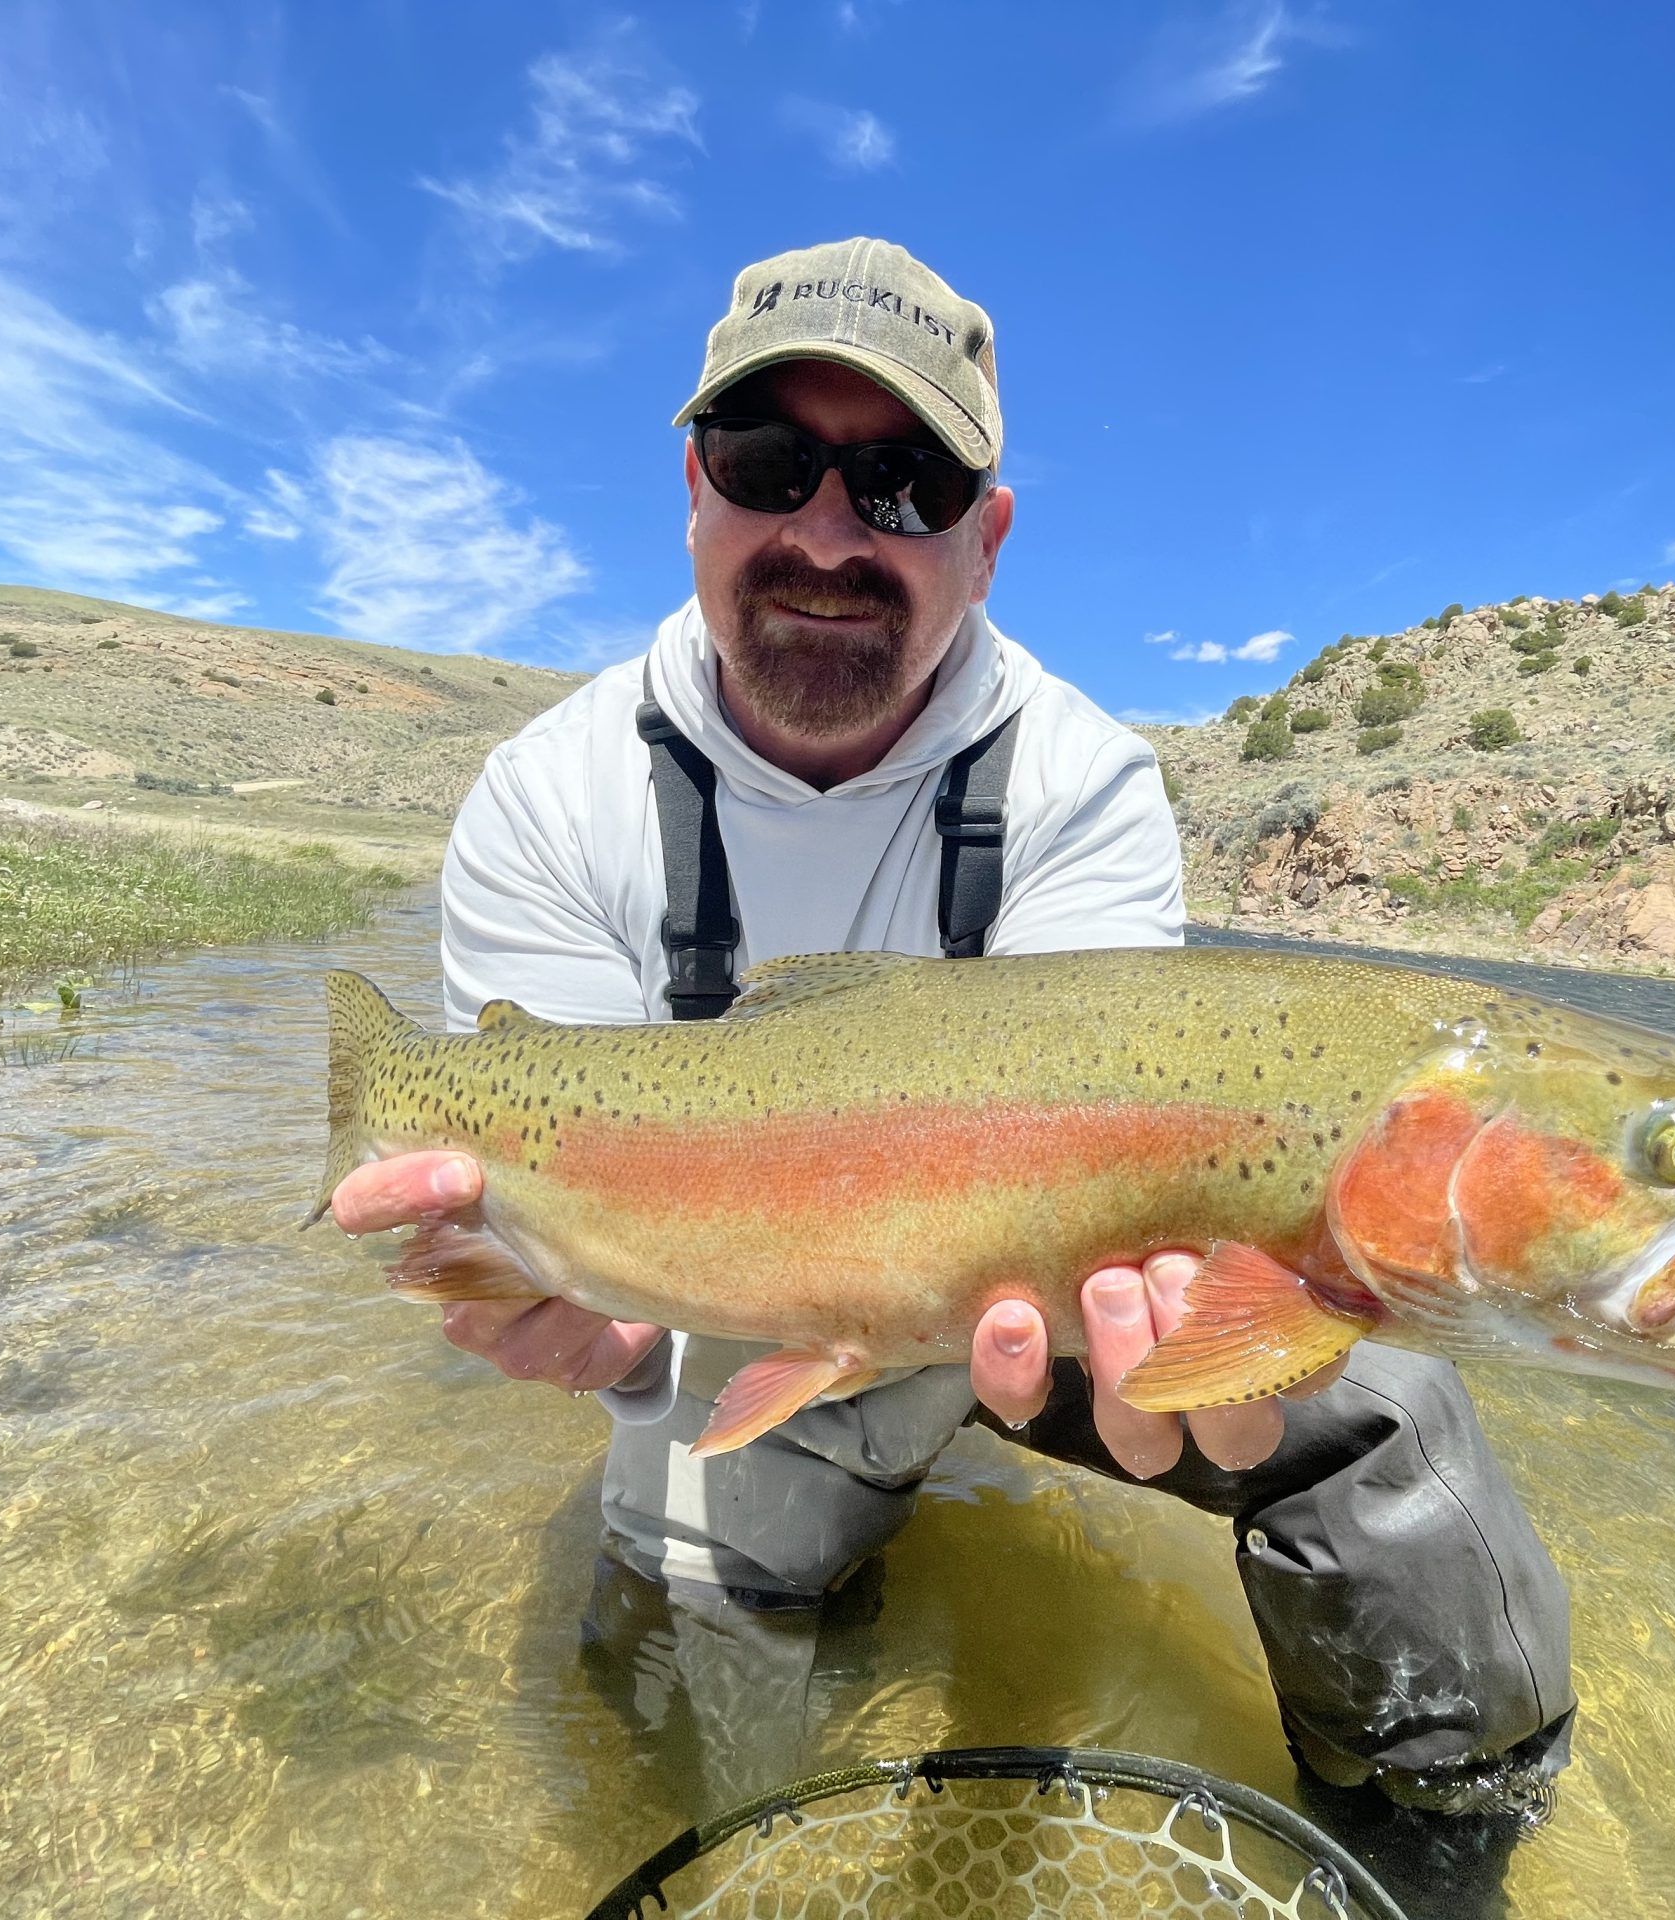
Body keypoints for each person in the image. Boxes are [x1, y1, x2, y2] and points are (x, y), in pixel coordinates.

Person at [326, 237, 1575, 1862]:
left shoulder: (1083, 780)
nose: (827, 533)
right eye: (767, 462)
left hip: (1055, 1308)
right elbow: (592, 1248)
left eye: (903, 485)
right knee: (683, 1658)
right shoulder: (548, 800)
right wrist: (594, 1325)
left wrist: (1211, 1334)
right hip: (755, 1295)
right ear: (693, 490)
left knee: (1394, 1415)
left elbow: (1117, 1155)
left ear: (984, 543)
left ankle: (1445, 1847)